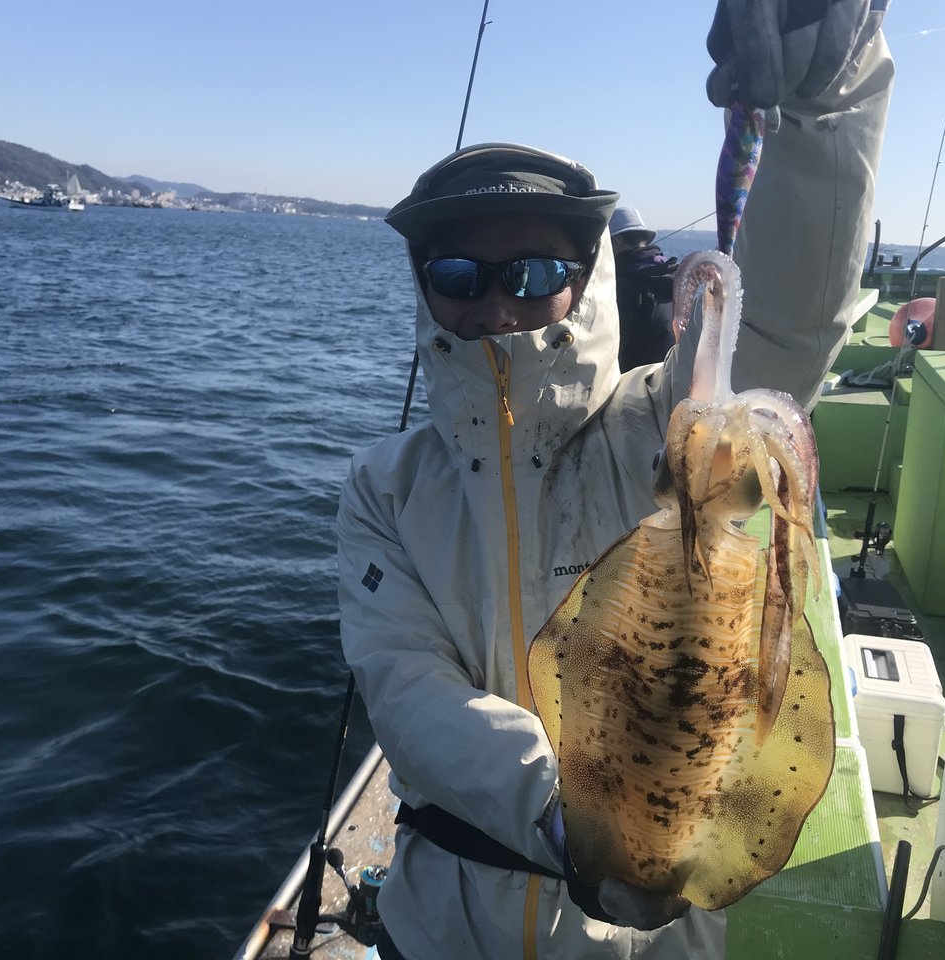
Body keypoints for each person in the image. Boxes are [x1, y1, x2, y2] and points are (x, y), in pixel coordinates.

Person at [337, 3, 893, 957]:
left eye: (533, 271)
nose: (497, 305)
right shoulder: (387, 487)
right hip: (438, 929)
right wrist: (573, 820)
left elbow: (788, 318)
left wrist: (825, 103)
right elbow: (406, 686)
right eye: (459, 272)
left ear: (586, 277)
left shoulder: (664, 425)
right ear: (425, 286)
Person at [608, 206, 678, 372]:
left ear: (615, 242)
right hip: (671, 376)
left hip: (635, 382)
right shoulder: (672, 275)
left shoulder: (624, 287)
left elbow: (611, 351)